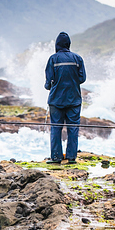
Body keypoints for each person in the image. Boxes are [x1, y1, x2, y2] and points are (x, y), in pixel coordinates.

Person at [45, 32, 86, 164]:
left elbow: (48, 81)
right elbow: (82, 78)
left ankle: (56, 157)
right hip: (74, 100)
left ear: (57, 44)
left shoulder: (53, 59)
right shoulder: (77, 58)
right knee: (73, 128)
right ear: (68, 44)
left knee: (56, 129)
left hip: (56, 100)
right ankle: (71, 157)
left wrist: (50, 86)